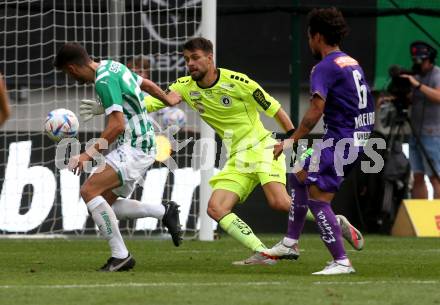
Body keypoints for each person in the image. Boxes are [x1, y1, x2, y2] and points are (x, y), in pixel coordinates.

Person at [82, 37, 295, 265]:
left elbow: (273, 107)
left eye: (195, 58)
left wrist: (291, 138)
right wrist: (111, 103)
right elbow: (157, 101)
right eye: (186, 59)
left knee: (280, 203)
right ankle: (265, 253)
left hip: (262, 148)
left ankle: (327, 219)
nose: (190, 63)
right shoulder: (185, 85)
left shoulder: (238, 81)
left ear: (210, 58)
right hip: (237, 156)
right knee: (215, 208)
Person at [53, 42, 183, 272]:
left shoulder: (103, 81)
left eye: (67, 73)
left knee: (89, 191)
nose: (70, 78)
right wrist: (168, 100)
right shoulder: (113, 67)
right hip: (142, 144)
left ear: (72, 69)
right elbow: (148, 85)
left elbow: (117, 125)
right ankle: (164, 211)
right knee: (106, 203)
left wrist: (87, 154)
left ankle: (120, 256)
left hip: (135, 145)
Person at [265, 7, 374, 275]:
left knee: (318, 200)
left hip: (341, 141)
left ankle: (341, 261)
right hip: (357, 138)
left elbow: (316, 111)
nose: (309, 42)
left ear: (318, 36)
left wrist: (292, 139)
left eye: (309, 36)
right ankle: (291, 242)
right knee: (300, 173)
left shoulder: (323, 67)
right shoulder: (350, 62)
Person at [400, 41, 440, 199]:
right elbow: (411, 99)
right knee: (417, 176)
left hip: (432, 134)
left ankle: (437, 217)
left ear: (429, 59)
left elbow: (438, 96)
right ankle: (420, 216)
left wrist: (417, 85)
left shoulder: (437, 74)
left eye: (421, 60)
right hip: (415, 133)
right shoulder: (415, 76)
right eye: (415, 60)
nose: (418, 64)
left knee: (435, 176)